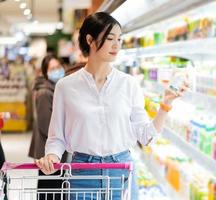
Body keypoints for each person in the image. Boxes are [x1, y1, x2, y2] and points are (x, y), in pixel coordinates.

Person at [36, 12, 188, 200]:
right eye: (110, 38)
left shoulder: (128, 84)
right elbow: (56, 137)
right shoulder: (66, 87)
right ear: (90, 40)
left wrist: (165, 105)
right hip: (82, 173)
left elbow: (146, 136)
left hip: (121, 172)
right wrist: (52, 156)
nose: (117, 45)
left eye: (119, 39)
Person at [28, 54, 65, 200]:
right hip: (47, 151)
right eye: (53, 68)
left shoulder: (56, 88)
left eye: (59, 67)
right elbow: (45, 125)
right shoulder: (45, 92)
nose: (57, 70)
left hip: (51, 150)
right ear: (45, 72)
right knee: (50, 189)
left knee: (52, 188)